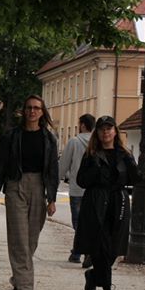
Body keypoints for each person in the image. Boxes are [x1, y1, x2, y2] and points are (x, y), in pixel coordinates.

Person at [0, 95, 59, 290]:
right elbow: (1, 164)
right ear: (23, 111)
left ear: (42, 112)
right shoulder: (11, 136)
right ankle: (26, 289)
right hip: (15, 186)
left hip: (39, 187)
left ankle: (18, 278)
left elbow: (53, 170)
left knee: (31, 239)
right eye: (29, 107)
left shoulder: (49, 139)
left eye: (36, 108)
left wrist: (52, 198)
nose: (32, 111)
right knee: (19, 238)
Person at [74, 116, 141, 290]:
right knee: (100, 247)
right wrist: (95, 172)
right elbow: (81, 180)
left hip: (118, 202)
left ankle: (93, 276)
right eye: (102, 129)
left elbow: (135, 179)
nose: (106, 132)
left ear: (115, 131)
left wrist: (132, 163)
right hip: (96, 202)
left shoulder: (124, 154)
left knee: (113, 249)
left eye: (109, 128)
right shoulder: (91, 154)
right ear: (97, 132)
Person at [60, 113, 95, 264]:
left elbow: (64, 164)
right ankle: (78, 252)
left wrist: (55, 180)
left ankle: (83, 252)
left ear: (82, 125)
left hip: (77, 188)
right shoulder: (97, 142)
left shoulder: (74, 141)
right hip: (94, 190)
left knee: (78, 223)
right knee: (91, 222)